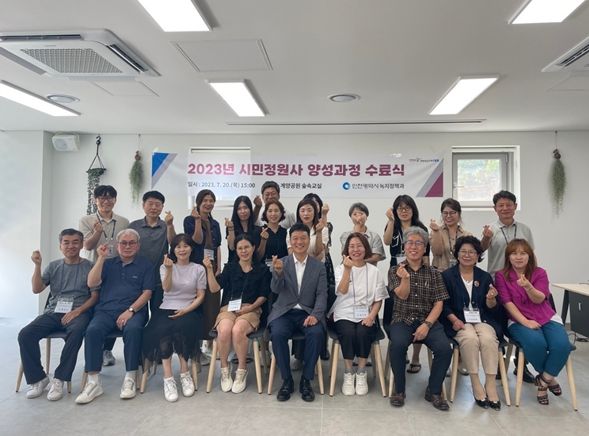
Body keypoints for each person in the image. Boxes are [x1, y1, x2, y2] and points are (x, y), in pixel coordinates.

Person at [18, 229, 98, 401]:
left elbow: (94, 296)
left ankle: (60, 378)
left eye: (75, 242)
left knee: (76, 333)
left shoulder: (90, 266)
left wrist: (77, 311)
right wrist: (37, 265)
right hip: (54, 311)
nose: (71, 246)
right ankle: (38, 379)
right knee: (25, 334)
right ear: (60, 246)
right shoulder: (54, 266)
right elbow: (37, 289)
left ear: (81, 245)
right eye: (66, 242)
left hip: (79, 312)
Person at [75, 229, 154, 404]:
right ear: (117, 246)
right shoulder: (108, 263)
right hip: (105, 311)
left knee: (133, 330)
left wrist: (131, 310)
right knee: (92, 331)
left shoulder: (145, 265)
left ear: (138, 245)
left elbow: (147, 293)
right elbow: (91, 282)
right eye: (123, 243)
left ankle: (130, 377)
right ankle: (94, 382)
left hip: (134, 311)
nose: (127, 246)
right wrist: (101, 258)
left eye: (132, 243)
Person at [495, 239, 571, 406]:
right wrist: (525, 322)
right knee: (536, 344)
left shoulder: (540, 273)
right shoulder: (501, 275)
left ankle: (543, 380)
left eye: (523, 253)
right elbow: (507, 303)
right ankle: (550, 379)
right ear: (508, 257)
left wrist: (528, 287)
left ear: (529, 256)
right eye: (514, 253)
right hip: (518, 320)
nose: (518, 257)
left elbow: (540, 299)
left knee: (562, 345)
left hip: (546, 316)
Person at [387, 227, 452, 411]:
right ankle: (399, 390)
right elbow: (402, 295)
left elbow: (439, 304)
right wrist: (405, 279)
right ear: (404, 247)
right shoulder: (395, 270)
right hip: (402, 319)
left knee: (444, 349)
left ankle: (434, 391)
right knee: (397, 345)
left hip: (428, 320)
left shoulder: (435, 273)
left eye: (418, 243)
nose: (413, 247)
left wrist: (427, 325)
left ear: (425, 248)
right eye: (409, 243)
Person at [441, 236, 504, 410]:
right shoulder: (447, 276)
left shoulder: (485, 277)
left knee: (488, 339)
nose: (467, 255)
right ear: (457, 254)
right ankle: (476, 383)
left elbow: (492, 308)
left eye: (472, 252)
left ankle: (490, 384)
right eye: (463, 251)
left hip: (482, 319)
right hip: (458, 320)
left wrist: (491, 300)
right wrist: (454, 319)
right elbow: (443, 304)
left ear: (478, 256)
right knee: (469, 338)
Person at [142, 234, 206, 402]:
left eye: (185, 246)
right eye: (178, 247)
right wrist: (170, 269)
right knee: (163, 329)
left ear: (191, 248)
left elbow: (200, 296)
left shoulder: (198, 269)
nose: (182, 250)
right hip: (166, 308)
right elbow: (166, 288)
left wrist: (186, 310)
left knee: (183, 328)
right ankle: (168, 377)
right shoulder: (165, 267)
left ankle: (185, 373)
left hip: (189, 308)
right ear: (173, 250)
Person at [203, 234, 271, 393]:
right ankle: (225, 369)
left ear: (253, 248)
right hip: (229, 309)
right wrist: (209, 270)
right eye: (240, 248)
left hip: (251, 309)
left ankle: (241, 370)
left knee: (238, 329)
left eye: (246, 247)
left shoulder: (262, 270)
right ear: (236, 250)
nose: (243, 251)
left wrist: (250, 308)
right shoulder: (230, 268)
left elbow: (263, 295)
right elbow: (214, 288)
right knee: (225, 329)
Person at [268, 223, 328, 402]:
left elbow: (322, 294)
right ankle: (287, 380)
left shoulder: (318, 266)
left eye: (303, 238)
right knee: (277, 334)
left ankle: (306, 380)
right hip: (285, 312)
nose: (299, 242)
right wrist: (278, 273)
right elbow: (275, 290)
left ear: (309, 240)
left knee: (317, 333)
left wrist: (315, 315)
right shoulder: (282, 262)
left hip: (307, 312)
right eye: (295, 238)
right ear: (290, 241)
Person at [481, 190, 535, 382]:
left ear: (515, 206)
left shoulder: (525, 229)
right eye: (501, 205)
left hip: (521, 281)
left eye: (508, 205)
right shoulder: (491, 229)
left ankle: (522, 365)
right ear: (495, 209)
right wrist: (486, 238)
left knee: (524, 319)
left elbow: (531, 256)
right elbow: (480, 252)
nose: (505, 208)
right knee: (498, 321)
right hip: (497, 281)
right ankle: (498, 363)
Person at [79, 185, 130, 367]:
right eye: (102, 197)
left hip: (117, 271)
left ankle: (107, 349)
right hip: (95, 268)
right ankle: (96, 348)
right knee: (95, 308)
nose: (106, 201)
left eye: (110, 197)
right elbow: (87, 246)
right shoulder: (86, 220)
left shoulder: (123, 221)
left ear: (115, 200)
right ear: (95, 200)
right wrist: (98, 232)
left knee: (114, 307)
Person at [332, 233, 388, 395]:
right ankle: (349, 372)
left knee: (363, 332)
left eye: (359, 246)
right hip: (344, 312)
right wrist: (347, 269)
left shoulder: (374, 271)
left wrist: (371, 316)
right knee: (348, 332)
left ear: (366, 248)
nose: (355, 250)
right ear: (346, 250)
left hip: (367, 313)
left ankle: (361, 372)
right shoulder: (340, 269)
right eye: (352, 246)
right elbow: (342, 291)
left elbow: (378, 299)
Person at [383, 195, 430, 373]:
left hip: (417, 272)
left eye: (407, 207)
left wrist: (425, 277)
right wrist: (390, 220)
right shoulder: (393, 225)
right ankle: (400, 350)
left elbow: (426, 256)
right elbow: (387, 241)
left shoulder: (421, 228)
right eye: (400, 208)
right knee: (397, 311)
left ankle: (416, 357)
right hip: (396, 272)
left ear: (413, 209)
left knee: (418, 313)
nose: (403, 211)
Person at [183, 189, 222, 361]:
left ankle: (209, 344)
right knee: (196, 305)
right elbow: (197, 240)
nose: (208, 203)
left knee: (211, 305)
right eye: (205, 200)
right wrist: (198, 220)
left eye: (211, 200)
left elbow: (217, 246)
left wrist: (218, 266)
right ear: (198, 202)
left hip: (211, 267)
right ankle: (195, 349)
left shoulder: (215, 224)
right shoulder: (189, 220)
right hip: (195, 267)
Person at [128, 191, 176, 314]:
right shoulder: (133, 226)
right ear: (143, 205)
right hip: (137, 277)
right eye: (150, 204)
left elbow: (173, 243)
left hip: (159, 277)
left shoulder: (166, 225)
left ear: (162, 207)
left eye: (157, 204)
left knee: (158, 313)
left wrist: (170, 225)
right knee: (138, 313)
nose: (154, 207)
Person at [430, 198, 471, 271]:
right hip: (440, 273)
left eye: (452, 213)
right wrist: (436, 232)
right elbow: (437, 252)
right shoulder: (436, 231)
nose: (448, 216)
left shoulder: (466, 235)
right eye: (445, 213)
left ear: (459, 214)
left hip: (460, 273)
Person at [226, 195, 262, 263]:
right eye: (239, 209)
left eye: (245, 208)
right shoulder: (231, 227)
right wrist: (231, 228)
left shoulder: (257, 230)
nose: (243, 211)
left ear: (250, 209)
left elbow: (258, 253)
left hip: (253, 265)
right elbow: (232, 247)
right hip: (234, 265)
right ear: (236, 211)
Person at [257, 199, 289, 267]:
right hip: (264, 270)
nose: (273, 214)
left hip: (283, 269)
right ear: (265, 213)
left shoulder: (286, 232)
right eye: (270, 211)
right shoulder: (259, 231)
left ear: (281, 213)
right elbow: (257, 257)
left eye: (276, 211)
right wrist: (263, 240)